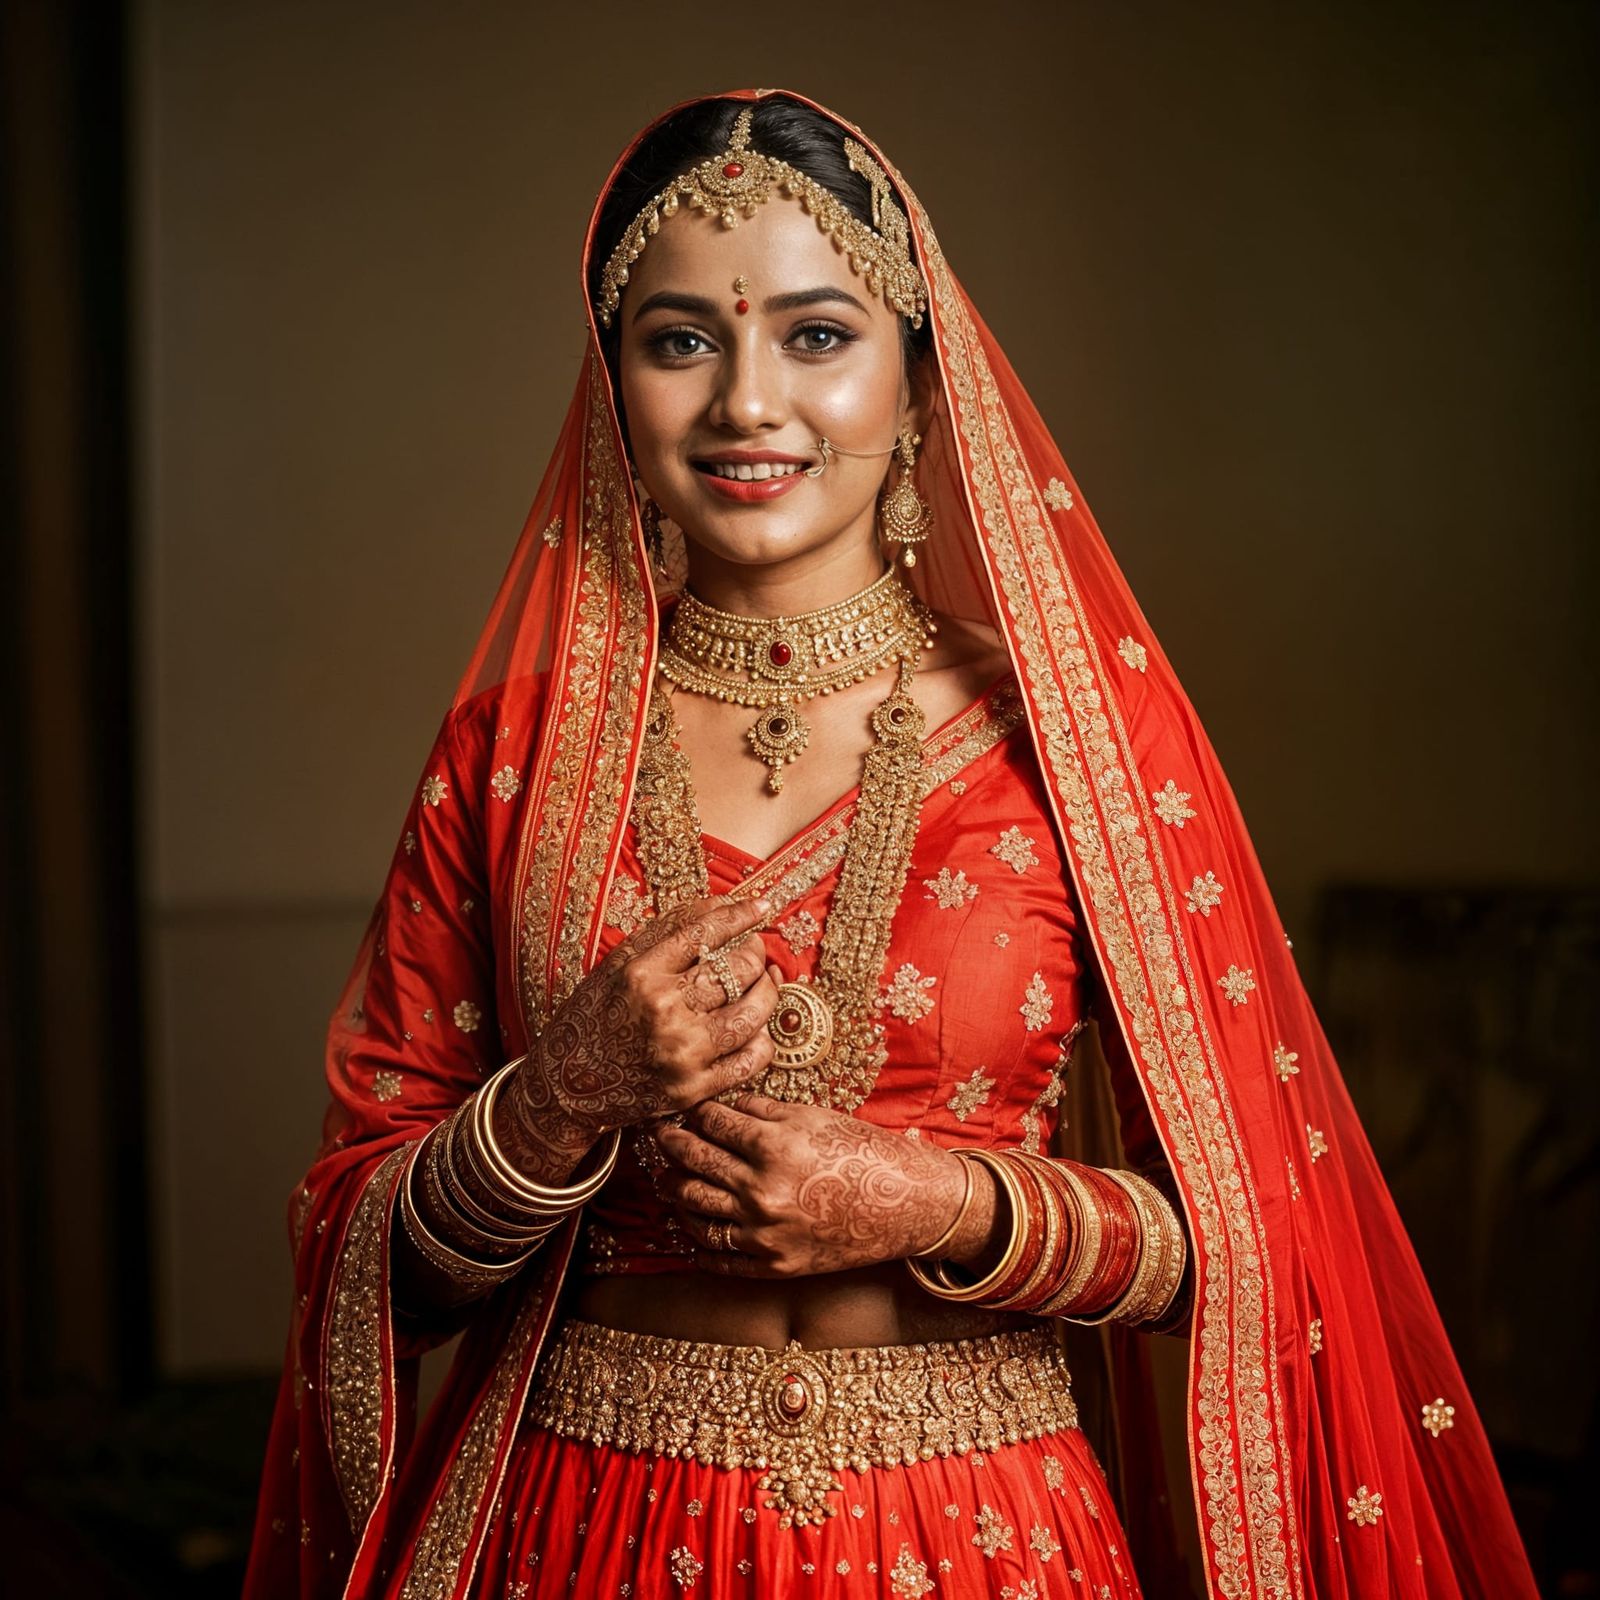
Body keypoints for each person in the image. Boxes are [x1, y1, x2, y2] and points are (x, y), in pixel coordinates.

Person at [243, 90, 1536, 1600]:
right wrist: (557, 1102)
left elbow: (1261, 1245)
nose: (745, 403)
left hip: (981, 1536)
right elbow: (362, 1275)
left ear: (920, 381)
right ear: (613, 389)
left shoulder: (1083, 751)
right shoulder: (517, 759)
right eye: (678, 341)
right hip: (580, 1534)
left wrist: (947, 1204)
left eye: (814, 335)